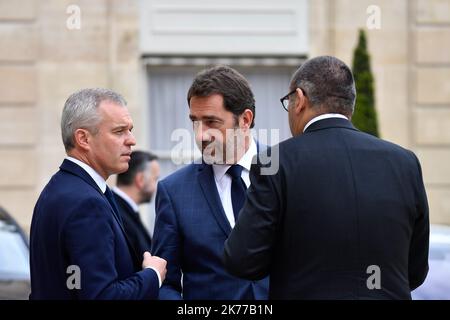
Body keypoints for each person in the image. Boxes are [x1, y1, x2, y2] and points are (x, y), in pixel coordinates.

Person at [223, 56, 430, 300]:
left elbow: (242, 259)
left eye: (287, 101)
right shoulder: (404, 162)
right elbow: (415, 271)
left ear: (299, 99)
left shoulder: (274, 162)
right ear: (349, 105)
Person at [30, 88, 167, 300]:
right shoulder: (85, 202)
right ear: (83, 138)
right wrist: (153, 275)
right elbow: (103, 296)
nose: (131, 140)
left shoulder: (62, 188)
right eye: (119, 131)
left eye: (130, 130)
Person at [152, 65, 269, 299]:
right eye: (195, 122)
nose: (200, 135)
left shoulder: (286, 172)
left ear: (245, 119)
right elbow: (166, 284)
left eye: (211, 122)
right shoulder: (173, 192)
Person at [113, 150, 159, 263]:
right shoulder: (116, 213)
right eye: (155, 179)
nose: (156, 187)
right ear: (140, 180)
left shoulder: (125, 210)